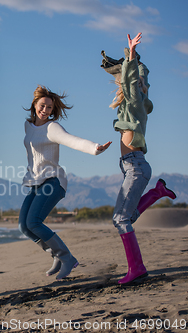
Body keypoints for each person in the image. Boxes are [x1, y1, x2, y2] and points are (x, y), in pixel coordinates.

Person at [101, 33, 176, 284]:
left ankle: (137, 268)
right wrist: (136, 62)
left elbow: (133, 80)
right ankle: (157, 192)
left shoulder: (135, 102)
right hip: (133, 166)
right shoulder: (139, 103)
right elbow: (141, 76)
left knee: (121, 219)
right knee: (127, 216)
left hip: (135, 166)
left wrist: (131, 56)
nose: (137, 85)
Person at [19, 85, 112, 280]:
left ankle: (66, 258)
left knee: (33, 222)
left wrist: (94, 148)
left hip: (53, 181)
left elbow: (72, 141)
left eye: (49, 108)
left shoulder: (52, 127)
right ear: (34, 104)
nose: (45, 111)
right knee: (24, 226)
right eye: (42, 106)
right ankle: (56, 254)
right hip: (36, 182)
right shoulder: (28, 126)